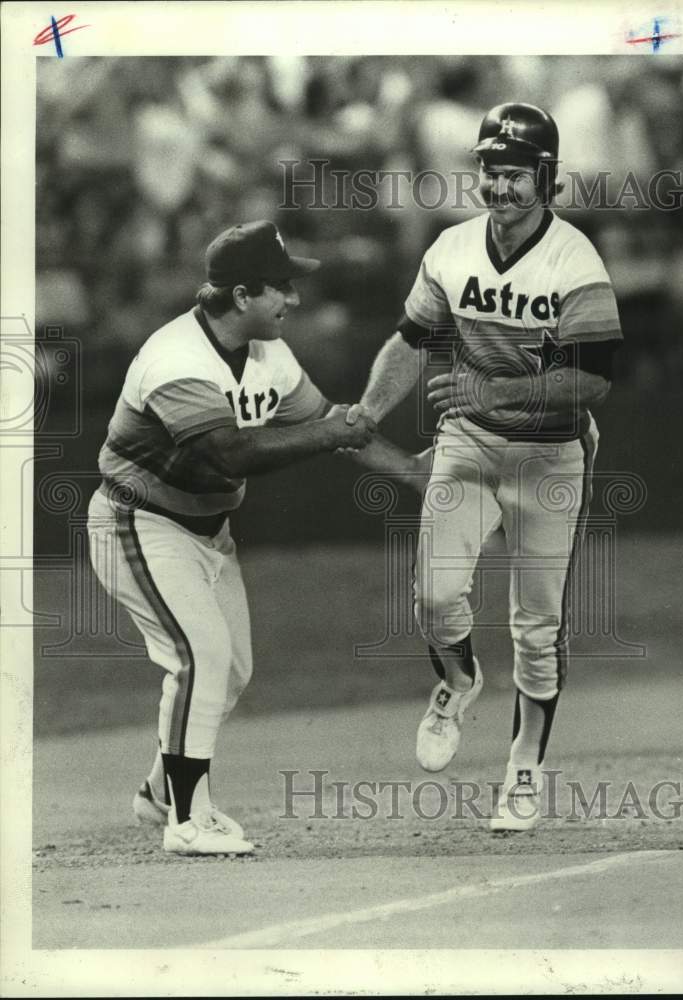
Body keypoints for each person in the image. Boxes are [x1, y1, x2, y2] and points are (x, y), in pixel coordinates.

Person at [88, 220, 419, 855]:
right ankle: (188, 820)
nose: (293, 298)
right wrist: (333, 432)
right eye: (282, 287)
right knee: (201, 656)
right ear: (241, 296)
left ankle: (159, 795)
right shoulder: (175, 358)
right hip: (138, 521)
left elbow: (329, 421)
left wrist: (414, 474)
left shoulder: (269, 352)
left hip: (208, 531)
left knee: (232, 669)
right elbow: (229, 456)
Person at [350, 104, 623, 831]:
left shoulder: (575, 262)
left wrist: (492, 389)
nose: (498, 187)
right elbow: (409, 339)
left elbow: (592, 380)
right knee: (435, 600)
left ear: (544, 177)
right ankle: (459, 682)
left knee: (535, 628)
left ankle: (524, 769)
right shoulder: (449, 249)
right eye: (489, 172)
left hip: (548, 452)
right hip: (468, 441)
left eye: (513, 174)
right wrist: (369, 410)